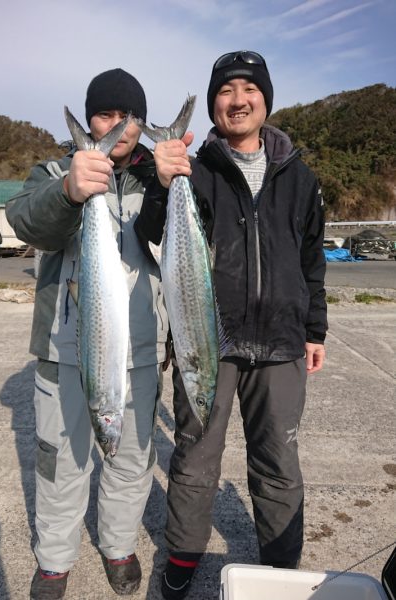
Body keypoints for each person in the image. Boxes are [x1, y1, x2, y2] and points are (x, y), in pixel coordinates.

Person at [134, 50, 328, 599]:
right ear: (214, 103)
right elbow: (152, 232)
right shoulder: (195, 172)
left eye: (248, 89)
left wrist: (316, 330)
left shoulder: (300, 176)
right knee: (195, 457)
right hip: (207, 339)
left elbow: (312, 259)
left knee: (278, 459)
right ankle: (182, 555)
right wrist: (160, 176)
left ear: (266, 99)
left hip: (284, 341)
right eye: (225, 91)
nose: (237, 100)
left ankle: (282, 564)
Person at [6, 68, 169, 599]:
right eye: (105, 115)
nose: (117, 126)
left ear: (142, 124)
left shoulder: (158, 178)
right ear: (90, 118)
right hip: (62, 351)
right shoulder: (55, 170)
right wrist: (71, 191)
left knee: (133, 460)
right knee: (60, 460)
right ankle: (54, 559)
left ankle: (118, 543)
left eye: (128, 117)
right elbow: (27, 222)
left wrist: (174, 184)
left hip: (140, 353)